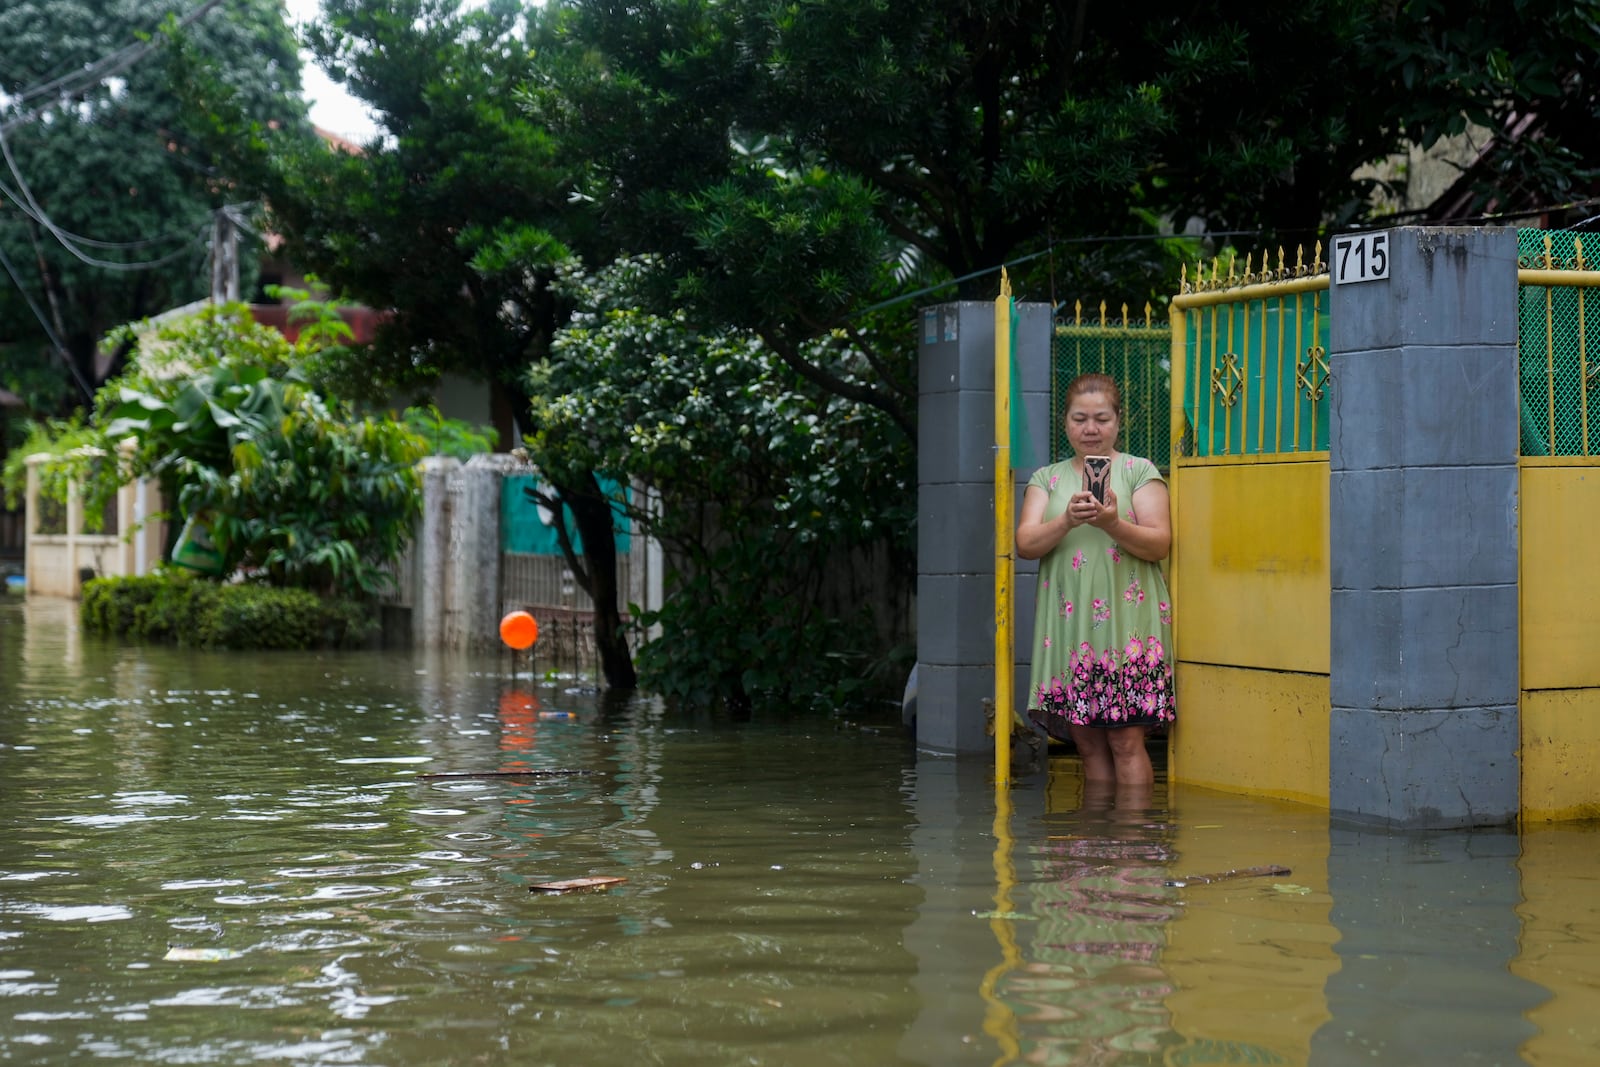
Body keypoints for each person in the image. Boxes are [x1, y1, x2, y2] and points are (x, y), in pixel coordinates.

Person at [1016, 373, 1175, 786]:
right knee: (1088, 748)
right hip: (1070, 631)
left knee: (1125, 742)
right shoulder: (1046, 479)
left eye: (1101, 418)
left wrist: (1112, 523)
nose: (1090, 429)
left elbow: (1159, 544)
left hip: (1128, 629)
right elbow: (1027, 544)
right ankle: (1096, 844)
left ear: (1118, 421)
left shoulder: (1140, 472)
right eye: (1080, 418)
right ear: (1065, 422)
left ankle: (1134, 841)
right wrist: (1067, 519)